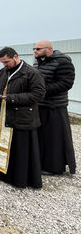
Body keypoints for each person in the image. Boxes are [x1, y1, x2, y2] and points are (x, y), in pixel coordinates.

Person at [0, 47, 45, 188]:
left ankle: (18, 177)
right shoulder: (3, 72)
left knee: (20, 149)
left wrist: (12, 98)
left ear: (15, 56)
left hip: (22, 117)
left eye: (6, 62)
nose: (4, 65)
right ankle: (0, 171)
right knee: (3, 144)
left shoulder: (32, 73)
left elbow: (39, 94)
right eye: (2, 63)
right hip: (4, 116)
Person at [33, 40, 76, 175]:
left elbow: (66, 83)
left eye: (38, 49)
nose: (35, 51)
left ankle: (54, 168)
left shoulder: (63, 62)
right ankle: (40, 164)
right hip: (40, 105)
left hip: (55, 106)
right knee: (41, 137)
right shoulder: (37, 63)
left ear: (49, 49)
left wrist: (42, 90)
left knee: (54, 138)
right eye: (34, 49)